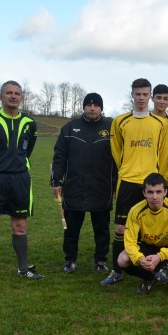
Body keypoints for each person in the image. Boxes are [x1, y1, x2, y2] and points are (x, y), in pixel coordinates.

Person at [0, 80, 45, 286]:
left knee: (20, 225)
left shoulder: (30, 123)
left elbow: (27, 150)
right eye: (9, 93)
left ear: (22, 97)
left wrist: (15, 165)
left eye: (17, 93)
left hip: (20, 178)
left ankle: (23, 269)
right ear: (1, 97)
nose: (13, 96)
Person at [101, 78, 168, 286]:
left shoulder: (160, 124)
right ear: (132, 95)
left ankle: (156, 269)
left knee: (153, 229)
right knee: (122, 229)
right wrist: (127, 168)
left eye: (145, 94)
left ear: (150, 96)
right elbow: (117, 151)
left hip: (150, 184)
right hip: (128, 181)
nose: (141, 98)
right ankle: (117, 270)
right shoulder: (120, 121)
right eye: (137, 94)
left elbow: (164, 154)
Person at [50, 92, 116, 275]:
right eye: (89, 105)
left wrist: (116, 182)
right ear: (84, 107)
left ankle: (101, 260)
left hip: (102, 186)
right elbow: (59, 157)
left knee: (101, 228)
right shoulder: (70, 128)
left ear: (101, 108)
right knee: (71, 228)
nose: (92, 108)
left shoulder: (112, 127)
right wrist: (56, 181)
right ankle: (70, 260)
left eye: (96, 105)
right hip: (74, 186)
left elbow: (121, 158)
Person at [118, 173, 168, 296]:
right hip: (148, 246)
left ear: (165, 192)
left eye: (158, 192)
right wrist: (139, 258)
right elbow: (129, 241)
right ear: (144, 193)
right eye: (150, 192)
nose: (154, 196)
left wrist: (160, 256)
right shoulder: (135, 211)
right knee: (123, 259)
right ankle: (149, 278)